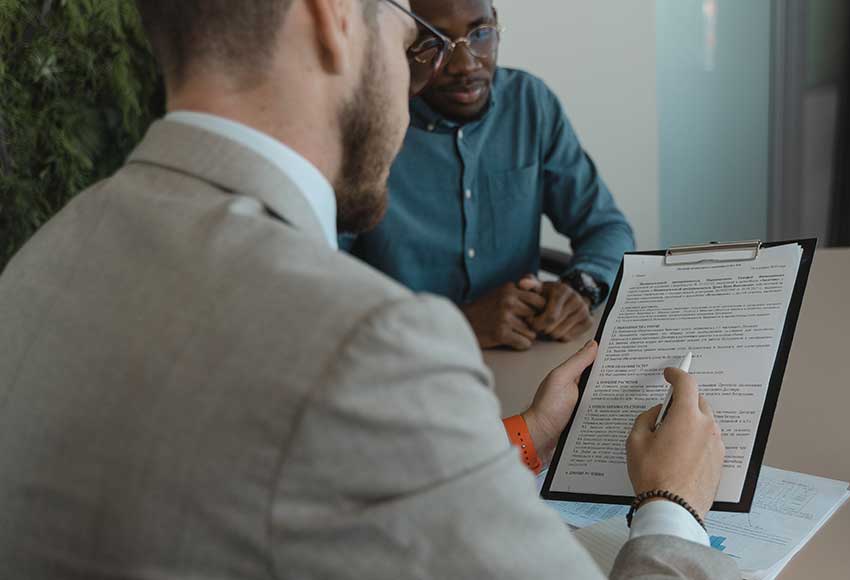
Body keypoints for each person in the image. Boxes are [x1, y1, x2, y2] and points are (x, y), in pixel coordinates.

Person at [0, 0, 737, 578]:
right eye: (411, 30)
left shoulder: (44, 258)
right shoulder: (363, 346)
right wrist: (671, 507)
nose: (427, 64)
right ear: (334, 16)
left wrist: (527, 433)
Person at [343, 0, 635, 351]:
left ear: (496, 24)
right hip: (406, 359)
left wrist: (580, 287)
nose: (465, 65)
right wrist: (458, 322)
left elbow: (607, 228)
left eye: (480, 34)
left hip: (524, 352)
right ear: (402, 41)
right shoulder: (365, 126)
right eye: (435, 41)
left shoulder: (530, 103)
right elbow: (323, 287)